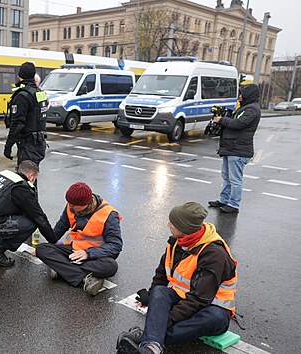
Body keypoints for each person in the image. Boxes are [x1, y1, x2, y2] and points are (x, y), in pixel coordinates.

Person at [116, 202, 237, 354]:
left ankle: (148, 340)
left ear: (184, 228)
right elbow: (161, 274)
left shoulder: (214, 255)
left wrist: (162, 322)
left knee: (214, 317)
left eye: (172, 223)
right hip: (185, 299)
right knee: (160, 291)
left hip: (211, 307)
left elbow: (198, 300)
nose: (168, 224)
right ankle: (152, 347)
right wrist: (152, 296)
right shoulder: (177, 242)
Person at [36, 182, 123, 296]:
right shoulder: (71, 205)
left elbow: (116, 245)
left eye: (73, 205)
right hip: (73, 251)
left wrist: (88, 254)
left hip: (95, 256)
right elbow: (61, 226)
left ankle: (61, 269)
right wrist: (49, 246)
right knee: (42, 249)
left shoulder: (109, 214)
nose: (70, 206)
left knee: (111, 267)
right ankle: (83, 279)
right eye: (69, 203)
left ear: (85, 204)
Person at [208, 84, 261, 214]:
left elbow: (238, 124)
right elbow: (234, 121)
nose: (240, 96)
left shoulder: (252, 110)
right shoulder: (245, 108)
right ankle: (224, 199)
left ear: (249, 95)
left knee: (235, 179)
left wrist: (221, 120)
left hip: (239, 150)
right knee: (226, 177)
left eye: (242, 94)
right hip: (232, 148)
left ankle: (234, 204)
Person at [3, 62, 48, 168]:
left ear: (19, 76)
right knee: (32, 176)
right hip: (39, 143)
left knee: (26, 178)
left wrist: (8, 147)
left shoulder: (22, 96)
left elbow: (17, 124)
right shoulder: (39, 92)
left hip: (27, 145)